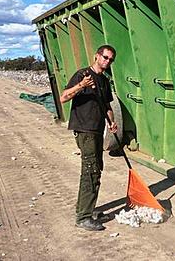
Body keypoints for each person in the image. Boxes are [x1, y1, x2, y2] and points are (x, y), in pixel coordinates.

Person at [60, 44, 118, 231]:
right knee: (90, 171)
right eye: (105, 57)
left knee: (96, 169)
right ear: (96, 56)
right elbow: (63, 97)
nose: (107, 61)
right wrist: (81, 86)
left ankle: (88, 209)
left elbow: (107, 105)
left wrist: (112, 122)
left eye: (110, 60)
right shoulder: (82, 75)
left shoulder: (104, 81)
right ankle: (83, 217)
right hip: (84, 130)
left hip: (97, 129)